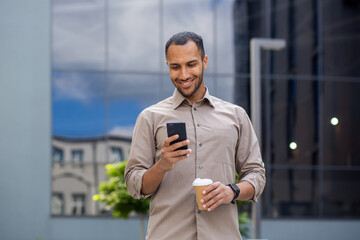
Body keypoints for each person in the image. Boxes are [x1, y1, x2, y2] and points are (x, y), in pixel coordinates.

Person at [125, 31, 265, 240]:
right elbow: (134, 184)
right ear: (168, 66)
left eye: (191, 64)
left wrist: (232, 191)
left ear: (204, 62)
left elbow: (256, 175)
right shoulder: (150, 117)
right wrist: (162, 164)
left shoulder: (236, 116)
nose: (183, 75)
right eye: (175, 67)